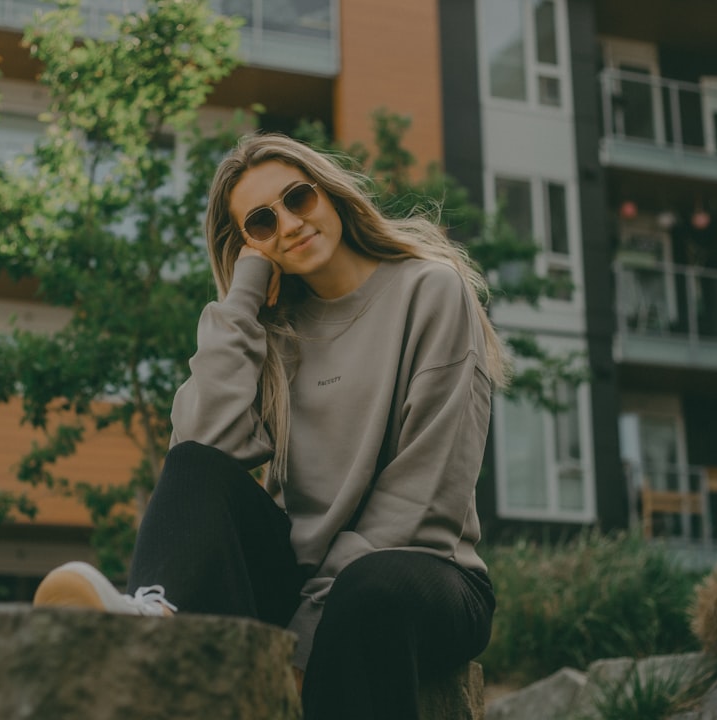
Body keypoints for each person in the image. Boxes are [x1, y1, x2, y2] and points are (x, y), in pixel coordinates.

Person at [33, 132, 509, 720]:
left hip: (425, 574)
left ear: (328, 193)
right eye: (261, 222)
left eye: (297, 198)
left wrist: (303, 638)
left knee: (369, 591)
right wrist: (243, 298)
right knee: (192, 463)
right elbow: (205, 443)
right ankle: (158, 624)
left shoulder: (429, 291)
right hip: (298, 578)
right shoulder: (274, 329)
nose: (287, 223)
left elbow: (423, 498)